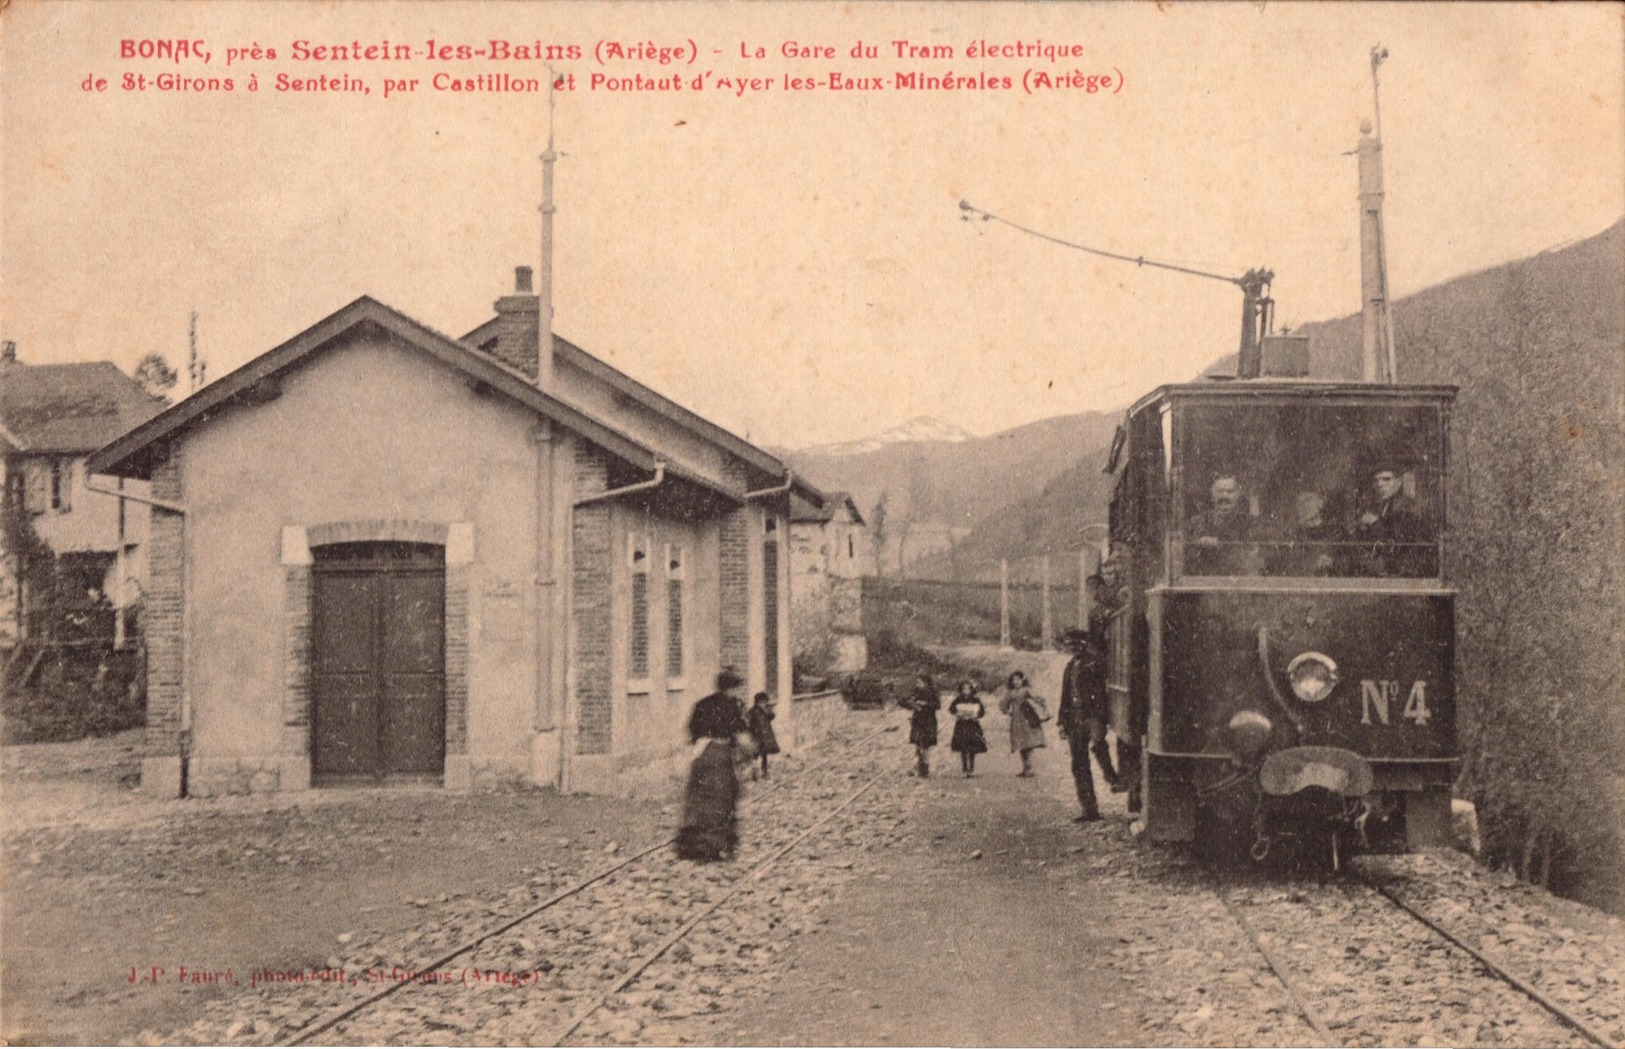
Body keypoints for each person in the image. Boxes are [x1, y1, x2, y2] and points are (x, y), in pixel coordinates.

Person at [675, 668, 750, 863]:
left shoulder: (702, 703)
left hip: (700, 757)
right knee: (723, 800)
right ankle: (719, 846)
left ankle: (694, 847)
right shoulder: (734, 706)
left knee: (698, 800)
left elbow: (691, 732)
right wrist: (748, 757)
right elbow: (741, 737)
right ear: (732, 688)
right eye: (737, 688)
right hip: (720, 756)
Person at [1058, 629, 1117, 821]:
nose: (1072, 647)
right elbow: (1065, 696)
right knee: (1079, 764)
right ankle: (1089, 809)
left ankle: (1111, 777)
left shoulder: (1096, 663)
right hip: (1074, 718)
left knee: (1099, 745)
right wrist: (1061, 721)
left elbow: (1104, 690)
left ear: (1084, 644)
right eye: (1070, 644)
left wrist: (1102, 716)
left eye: (1076, 644)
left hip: (1092, 715)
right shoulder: (1069, 666)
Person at [1357, 463, 1426, 576]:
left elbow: (1399, 545)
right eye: (1376, 480)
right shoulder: (1382, 506)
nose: (1380, 484)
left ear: (1398, 483)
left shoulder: (1406, 507)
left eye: (1386, 479)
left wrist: (1375, 523)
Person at [1187, 474, 1260, 575]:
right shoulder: (1198, 522)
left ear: (1238, 494)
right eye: (1219, 492)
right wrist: (1199, 542)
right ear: (1212, 495)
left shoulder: (1250, 524)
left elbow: (1254, 559)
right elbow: (1185, 553)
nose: (1224, 496)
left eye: (1230, 492)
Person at [1271, 489, 1341, 576]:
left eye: (1308, 499)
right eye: (1300, 502)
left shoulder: (1335, 533)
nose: (1304, 505)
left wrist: (1331, 562)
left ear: (1320, 503)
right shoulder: (1292, 535)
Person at [998, 670, 1048, 777]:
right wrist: (1008, 711)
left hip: (1028, 718)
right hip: (1017, 720)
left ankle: (1029, 767)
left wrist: (1041, 704)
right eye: (1014, 680)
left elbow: (1037, 698)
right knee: (1021, 744)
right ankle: (1026, 768)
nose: (1016, 682)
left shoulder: (1026, 690)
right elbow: (1003, 704)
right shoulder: (1010, 693)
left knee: (1028, 743)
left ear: (1022, 680)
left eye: (1018, 679)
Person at [947, 680, 988, 777]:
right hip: (961, 725)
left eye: (968, 689)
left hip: (972, 725)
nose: (966, 691)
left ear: (971, 690)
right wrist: (958, 713)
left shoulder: (976, 700)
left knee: (972, 748)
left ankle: (971, 769)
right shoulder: (958, 699)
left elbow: (982, 712)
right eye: (963, 689)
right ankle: (965, 769)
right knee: (963, 747)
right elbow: (951, 709)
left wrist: (976, 716)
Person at [905, 675, 941, 777]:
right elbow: (904, 701)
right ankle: (920, 764)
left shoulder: (933, 693)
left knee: (926, 745)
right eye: (917, 682)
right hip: (917, 720)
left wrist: (925, 704)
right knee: (917, 744)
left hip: (929, 721)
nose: (918, 684)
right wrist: (911, 703)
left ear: (926, 683)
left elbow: (937, 705)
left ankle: (924, 768)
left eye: (920, 682)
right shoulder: (915, 692)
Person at [746, 691, 780, 780]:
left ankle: (764, 772)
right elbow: (748, 723)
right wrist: (754, 731)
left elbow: (772, 716)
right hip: (756, 736)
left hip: (765, 737)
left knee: (764, 754)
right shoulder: (752, 711)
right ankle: (754, 773)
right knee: (755, 754)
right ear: (758, 702)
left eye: (765, 701)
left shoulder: (765, 710)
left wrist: (768, 709)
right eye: (763, 701)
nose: (764, 703)